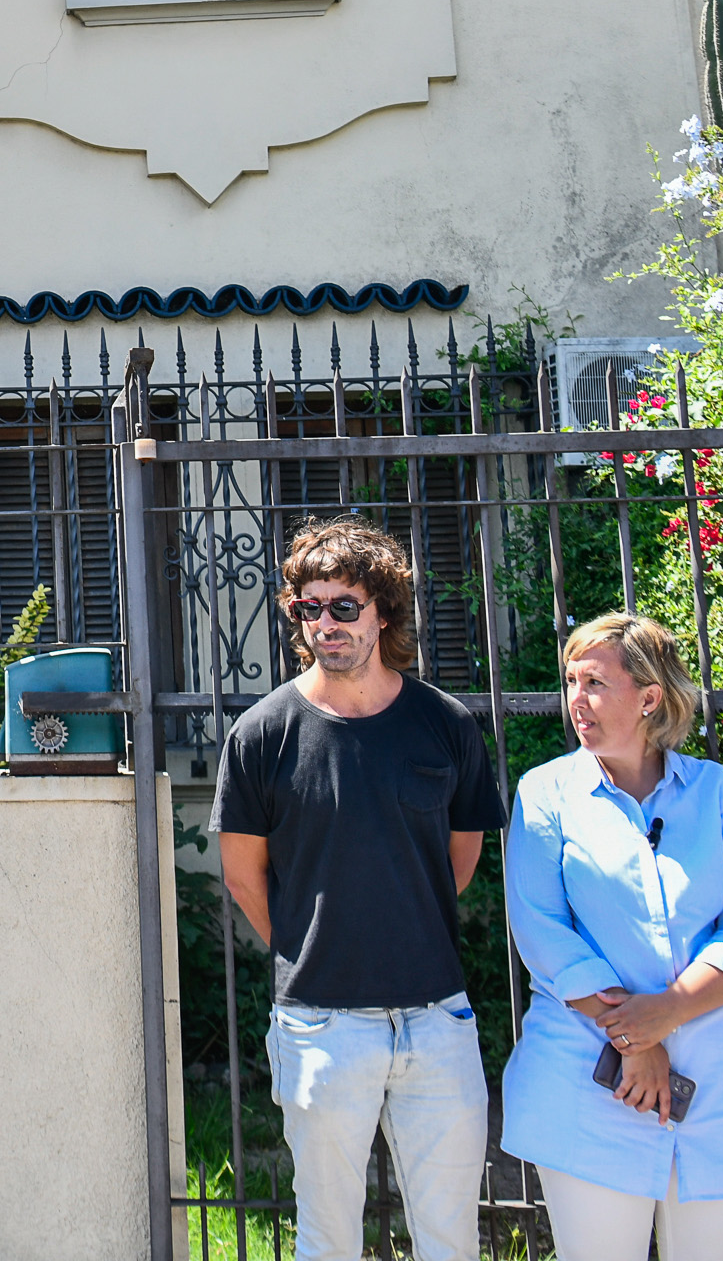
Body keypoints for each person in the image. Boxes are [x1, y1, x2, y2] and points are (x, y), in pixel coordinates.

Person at [211, 520, 507, 1261]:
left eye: (343, 607)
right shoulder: (261, 733)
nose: (324, 624)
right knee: (327, 1238)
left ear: (383, 610)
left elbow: (458, 861)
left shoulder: (445, 725)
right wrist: (320, 948)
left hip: (437, 1020)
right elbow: (245, 877)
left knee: (450, 1238)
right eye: (308, 609)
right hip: (319, 1025)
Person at [502, 613, 723, 1261]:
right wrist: (634, 1038)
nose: (577, 700)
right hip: (589, 1081)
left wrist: (667, 1013)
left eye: (596, 683)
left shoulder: (717, 793)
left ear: (649, 696)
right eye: (571, 682)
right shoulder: (544, 795)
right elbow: (542, 932)